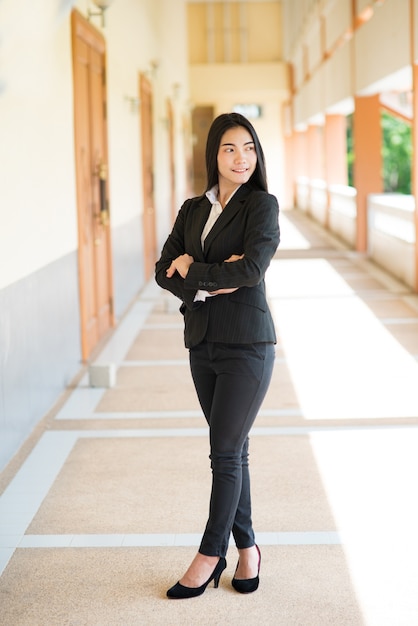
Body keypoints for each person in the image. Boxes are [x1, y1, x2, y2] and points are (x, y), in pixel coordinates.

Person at [155, 112, 280, 599]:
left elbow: (250, 269)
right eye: (230, 148)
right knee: (235, 449)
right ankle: (248, 548)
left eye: (248, 147)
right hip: (202, 342)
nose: (241, 157)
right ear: (214, 154)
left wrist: (195, 270)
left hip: (247, 344)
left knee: (224, 452)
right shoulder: (192, 209)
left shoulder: (261, 206)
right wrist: (208, 275)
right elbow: (164, 271)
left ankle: (211, 554)